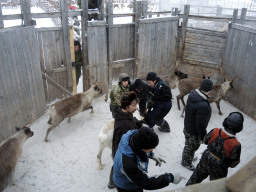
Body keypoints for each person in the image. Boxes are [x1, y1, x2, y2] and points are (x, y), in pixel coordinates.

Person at [113, 127, 184, 192]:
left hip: (132, 180)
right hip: (127, 187)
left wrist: (152, 154)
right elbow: (145, 183)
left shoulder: (134, 137)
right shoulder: (129, 164)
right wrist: (170, 178)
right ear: (142, 147)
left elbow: (141, 148)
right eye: (152, 148)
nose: (154, 149)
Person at [186, 112, 244, 185]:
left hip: (206, 158)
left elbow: (205, 140)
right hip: (220, 166)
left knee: (195, 178)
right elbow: (233, 164)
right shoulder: (236, 144)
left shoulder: (215, 131)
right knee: (216, 187)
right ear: (239, 128)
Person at [108, 91, 144, 189]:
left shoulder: (123, 114)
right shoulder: (123, 125)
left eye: (136, 104)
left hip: (119, 152)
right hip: (122, 153)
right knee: (118, 167)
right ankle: (113, 182)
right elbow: (121, 144)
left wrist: (138, 123)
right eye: (133, 105)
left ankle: (112, 182)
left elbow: (131, 119)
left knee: (116, 165)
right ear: (126, 106)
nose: (136, 107)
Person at [181, 79, 213, 171]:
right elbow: (201, 125)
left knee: (188, 144)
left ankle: (188, 155)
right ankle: (186, 162)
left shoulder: (193, 94)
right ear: (209, 90)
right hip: (194, 131)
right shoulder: (203, 105)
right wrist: (203, 136)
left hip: (187, 126)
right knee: (192, 146)